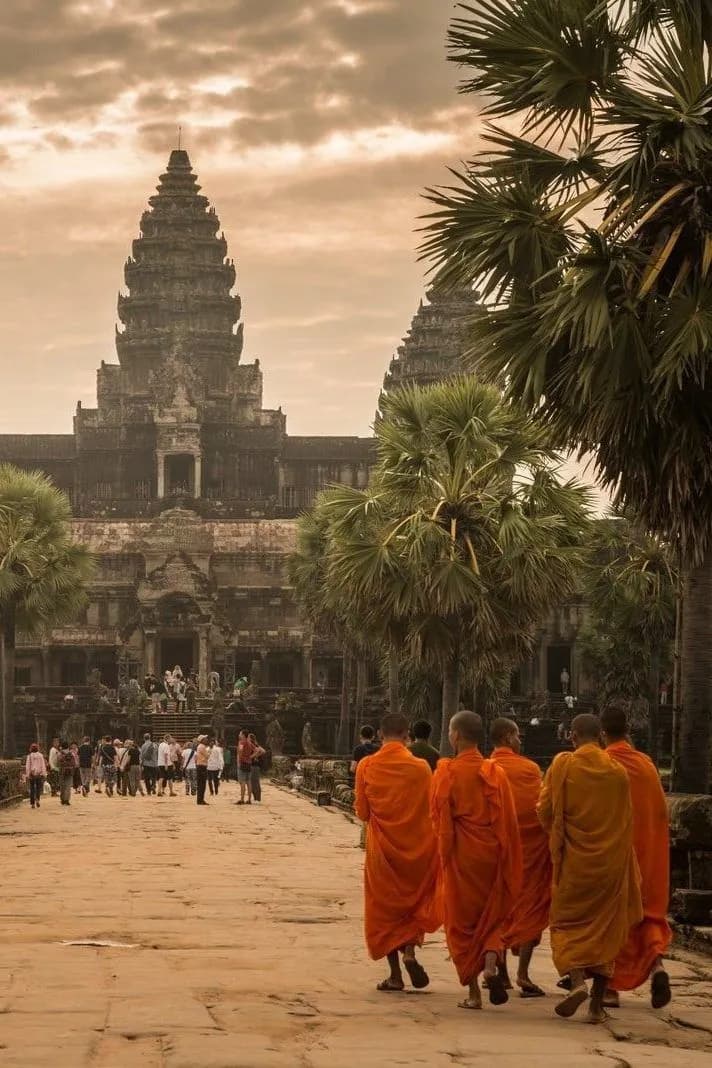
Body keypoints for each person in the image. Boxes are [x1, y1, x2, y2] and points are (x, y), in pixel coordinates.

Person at [537, 713, 643, 1024]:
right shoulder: (617, 771)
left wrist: (555, 834)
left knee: (566, 926)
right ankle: (596, 1007)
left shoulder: (564, 765)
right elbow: (627, 820)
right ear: (599, 737)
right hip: (610, 866)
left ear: (572, 736)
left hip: (574, 863)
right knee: (606, 931)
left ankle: (577, 982)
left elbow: (546, 811)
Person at [431, 710, 522, 1010]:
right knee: (492, 914)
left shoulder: (445, 772)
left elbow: (440, 821)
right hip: (492, 854)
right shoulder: (496, 772)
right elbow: (508, 821)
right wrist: (505, 854)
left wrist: (444, 856)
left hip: (461, 856)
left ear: (455, 736)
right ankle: (491, 966)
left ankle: (473, 994)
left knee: (462, 923)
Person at [354, 712, 441, 992]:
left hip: (383, 852)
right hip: (417, 850)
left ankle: (395, 976)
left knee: (384, 910)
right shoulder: (421, 768)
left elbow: (362, 811)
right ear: (406, 736)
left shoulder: (367, 766)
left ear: (381, 735)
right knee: (412, 905)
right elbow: (431, 810)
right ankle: (410, 952)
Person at [601, 704, 672, 1010]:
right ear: (628, 731)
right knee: (647, 916)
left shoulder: (604, 764)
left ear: (603, 734)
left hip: (617, 856)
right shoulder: (645, 764)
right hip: (649, 855)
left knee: (612, 920)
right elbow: (660, 813)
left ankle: (609, 989)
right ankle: (657, 968)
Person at [490, 717, 551, 997]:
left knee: (498, 909)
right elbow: (540, 807)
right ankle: (523, 974)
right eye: (516, 735)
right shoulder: (529, 769)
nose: (520, 740)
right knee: (532, 908)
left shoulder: (485, 769)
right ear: (507, 737)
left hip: (496, 851)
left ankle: (499, 968)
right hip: (530, 852)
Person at [25, 743, 46, 809]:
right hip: (39, 774)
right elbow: (43, 765)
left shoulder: (29, 756)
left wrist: (28, 774)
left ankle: (32, 803)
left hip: (32, 774)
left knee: (32, 788)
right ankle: (37, 799)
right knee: (38, 788)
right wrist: (44, 773)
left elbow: (27, 766)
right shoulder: (40, 755)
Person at [236, 729, 255, 804]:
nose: (239, 735)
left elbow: (240, 752)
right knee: (248, 781)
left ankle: (242, 799)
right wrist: (250, 757)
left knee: (242, 782)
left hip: (243, 763)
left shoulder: (241, 742)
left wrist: (239, 761)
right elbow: (257, 750)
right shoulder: (249, 743)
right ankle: (249, 799)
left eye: (240, 733)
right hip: (249, 763)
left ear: (243, 735)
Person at [58, 739, 78, 806]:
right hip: (70, 772)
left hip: (62, 772)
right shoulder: (71, 754)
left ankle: (62, 799)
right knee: (68, 786)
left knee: (62, 786)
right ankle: (67, 799)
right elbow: (74, 763)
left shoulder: (60, 754)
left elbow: (58, 763)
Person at [248, 733, 265, 802]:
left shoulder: (255, 745)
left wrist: (255, 756)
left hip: (255, 765)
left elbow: (263, 751)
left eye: (248, 738)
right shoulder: (252, 745)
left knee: (255, 782)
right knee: (252, 782)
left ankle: (257, 798)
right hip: (252, 765)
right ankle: (255, 798)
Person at [195, 734, 210, 805]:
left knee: (200, 784)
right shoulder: (203, 747)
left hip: (199, 766)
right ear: (202, 740)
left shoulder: (199, 746)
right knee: (202, 784)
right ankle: (201, 800)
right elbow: (207, 756)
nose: (207, 740)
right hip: (202, 766)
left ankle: (199, 800)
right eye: (205, 739)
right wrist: (209, 751)